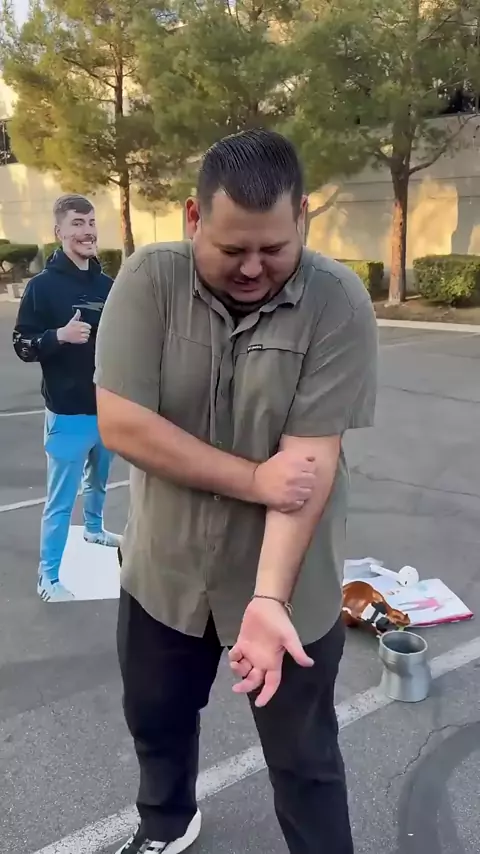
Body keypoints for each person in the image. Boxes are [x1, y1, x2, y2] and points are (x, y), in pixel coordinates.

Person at [95, 129, 378, 854]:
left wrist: (269, 600)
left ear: (303, 217)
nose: (253, 267)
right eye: (232, 249)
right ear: (194, 217)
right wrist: (253, 478)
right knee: (156, 719)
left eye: (274, 248)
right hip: (166, 570)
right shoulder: (149, 282)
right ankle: (167, 823)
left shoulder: (336, 301)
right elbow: (123, 423)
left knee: (305, 757)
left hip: (289, 579)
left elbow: (307, 467)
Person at [13, 194, 121, 603]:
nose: (87, 231)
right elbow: (22, 344)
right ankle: (49, 576)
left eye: (91, 223)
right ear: (59, 231)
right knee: (60, 501)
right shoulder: (42, 288)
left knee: (99, 479)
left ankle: (94, 529)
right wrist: (59, 336)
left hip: (107, 409)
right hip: (68, 413)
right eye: (77, 223)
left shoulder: (108, 286)